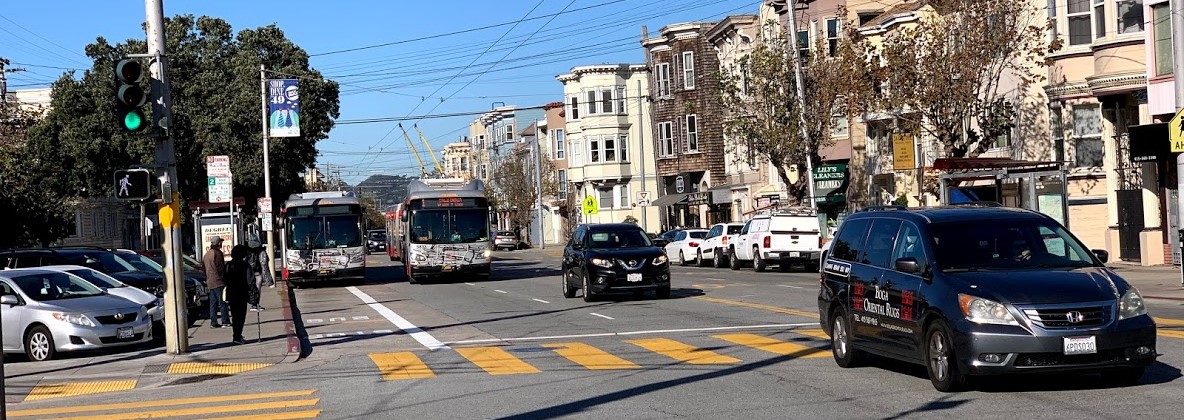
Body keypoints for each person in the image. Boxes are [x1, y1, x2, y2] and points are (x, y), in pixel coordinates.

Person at [224, 244, 252, 344]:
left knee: (234, 315)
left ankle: (236, 335)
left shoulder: (228, 265)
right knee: (241, 316)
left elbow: (225, 278)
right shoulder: (245, 265)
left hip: (231, 292)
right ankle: (237, 336)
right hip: (242, 293)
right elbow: (250, 280)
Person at [202, 237, 229, 329]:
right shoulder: (217, 254)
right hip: (218, 281)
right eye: (220, 242)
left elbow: (204, 269)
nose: (221, 244)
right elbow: (220, 268)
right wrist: (224, 279)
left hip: (210, 281)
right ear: (218, 244)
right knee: (223, 302)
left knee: (213, 303)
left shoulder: (206, 255)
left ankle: (213, 322)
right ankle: (225, 321)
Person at [246, 240, 270, 311]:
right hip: (257, 272)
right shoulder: (261, 252)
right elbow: (264, 264)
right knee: (257, 288)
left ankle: (254, 304)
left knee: (253, 288)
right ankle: (255, 304)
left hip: (251, 272)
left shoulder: (248, 252)